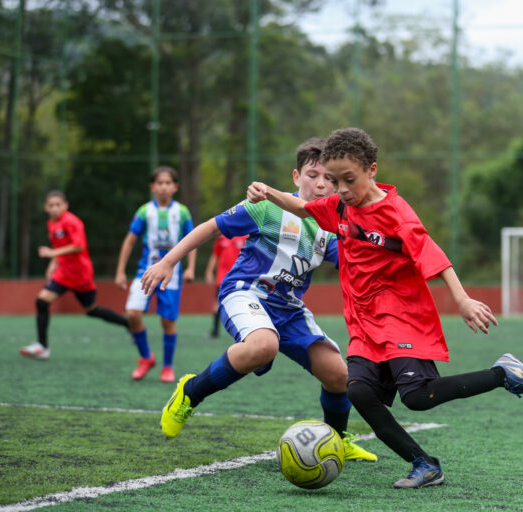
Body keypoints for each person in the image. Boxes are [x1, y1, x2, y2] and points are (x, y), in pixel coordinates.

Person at [245, 128, 523, 489]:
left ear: (371, 170)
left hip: (401, 317)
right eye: (333, 181)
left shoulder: (396, 213)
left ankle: (503, 374)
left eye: (349, 180)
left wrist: (463, 300)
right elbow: (300, 206)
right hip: (363, 322)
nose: (341, 190)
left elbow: (433, 256)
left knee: (418, 397)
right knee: (357, 390)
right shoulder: (339, 207)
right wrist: (266, 192)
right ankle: (423, 464)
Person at [140, 138, 376, 462]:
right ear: (296, 177)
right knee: (264, 346)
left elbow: (355, 262)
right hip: (245, 292)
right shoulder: (268, 207)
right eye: (312, 175)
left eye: (329, 179)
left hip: (289, 308)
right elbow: (210, 228)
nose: (321, 184)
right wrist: (168, 261)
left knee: (339, 374)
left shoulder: (332, 226)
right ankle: (190, 393)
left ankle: (337, 440)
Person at [19, 190, 129, 360]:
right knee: (41, 301)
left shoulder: (72, 222)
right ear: (46, 208)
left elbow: (79, 246)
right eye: (51, 205)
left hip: (80, 274)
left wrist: (52, 253)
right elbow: (59, 247)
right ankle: (42, 347)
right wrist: (53, 264)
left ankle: (128, 324)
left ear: (65, 205)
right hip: (63, 273)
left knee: (91, 310)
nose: (55, 208)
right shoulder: (51, 224)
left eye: (58, 205)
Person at [115, 167, 196, 383]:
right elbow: (130, 240)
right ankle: (145, 357)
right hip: (145, 272)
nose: (163, 187)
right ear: (152, 187)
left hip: (172, 276)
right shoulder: (144, 212)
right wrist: (120, 270)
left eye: (168, 183)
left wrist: (190, 268)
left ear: (175, 187)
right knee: (132, 314)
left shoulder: (182, 212)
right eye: (159, 183)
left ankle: (167, 367)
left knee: (167, 321)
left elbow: (193, 240)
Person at [204, 234, 247, 338]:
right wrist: (209, 272)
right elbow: (215, 255)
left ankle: (244, 332)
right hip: (222, 277)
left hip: (239, 276)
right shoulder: (221, 237)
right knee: (217, 303)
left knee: (242, 303)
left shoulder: (246, 237)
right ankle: (215, 331)